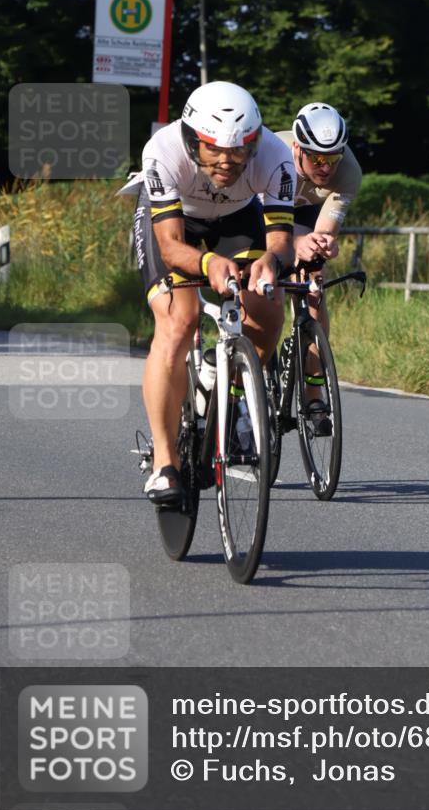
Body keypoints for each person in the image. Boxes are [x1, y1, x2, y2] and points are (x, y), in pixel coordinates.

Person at [119, 81, 295, 505]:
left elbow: (280, 240)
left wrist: (271, 263)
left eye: (239, 152)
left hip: (237, 218)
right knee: (180, 321)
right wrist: (207, 264)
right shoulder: (163, 150)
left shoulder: (276, 156)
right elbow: (170, 245)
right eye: (214, 150)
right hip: (178, 222)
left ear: (255, 142)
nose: (227, 163)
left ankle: (233, 399)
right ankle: (164, 464)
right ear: (191, 139)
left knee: (268, 309)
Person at [275, 102, 362, 433]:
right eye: (316, 159)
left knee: (314, 284)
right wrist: (290, 245)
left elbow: (324, 231)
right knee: (264, 282)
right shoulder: (271, 155)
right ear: (297, 147)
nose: (325, 167)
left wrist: (322, 244)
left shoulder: (348, 171)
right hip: (266, 208)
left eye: (332, 158)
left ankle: (313, 393)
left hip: (308, 213)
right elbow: (262, 232)